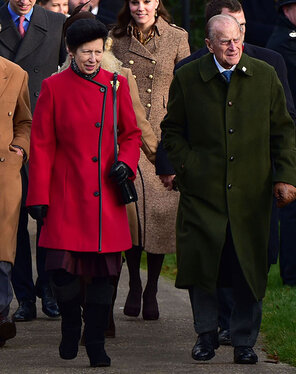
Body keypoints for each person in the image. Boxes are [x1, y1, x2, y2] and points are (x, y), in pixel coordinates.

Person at [161, 14, 296, 365]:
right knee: (203, 266)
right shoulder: (189, 77)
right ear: (208, 45)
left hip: (252, 196)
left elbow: (283, 132)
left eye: (236, 39)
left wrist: (286, 177)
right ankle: (205, 336)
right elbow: (172, 131)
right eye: (224, 41)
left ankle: (244, 341)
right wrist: (189, 167)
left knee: (248, 267)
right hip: (202, 195)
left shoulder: (264, 75)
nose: (233, 46)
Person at [26, 18, 141, 367]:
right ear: (70, 52)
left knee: (105, 273)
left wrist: (127, 163)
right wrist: (38, 196)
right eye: (85, 52)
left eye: (97, 51)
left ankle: (95, 341)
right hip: (66, 192)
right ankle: (69, 323)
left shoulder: (117, 85)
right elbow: (42, 144)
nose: (92, 58)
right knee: (62, 270)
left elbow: (132, 134)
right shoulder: (53, 86)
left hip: (106, 194)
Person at [60, 4, 159, 338]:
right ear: (72, 47)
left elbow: (138, 128)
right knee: (73, 254)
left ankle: (105, 311)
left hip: (113, 177)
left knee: (113, 247)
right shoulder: (59, 80)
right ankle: (84, 308)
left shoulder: (119, 79)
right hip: (73, 181)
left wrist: (159, 162)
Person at [110, 0, 190, 321]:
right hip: (127, 134)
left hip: (163, 134)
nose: (140, 7)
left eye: (147, 1)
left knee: (159, 213)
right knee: (133, 212)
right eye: (134, 2)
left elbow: (187, 85)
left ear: (157, 3)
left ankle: (153, 286)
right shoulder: (113, 38)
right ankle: (133, 281)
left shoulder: (176, 37)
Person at [0, 0, 66, 321]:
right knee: (12, 222)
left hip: (46, 133)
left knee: (47, 217)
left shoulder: (57, 23)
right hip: (9, 141)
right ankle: (24, 297)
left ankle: (48, 289)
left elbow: (68, 74)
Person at [267, 0, 296, 289]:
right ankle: (292, 273)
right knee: (292, 206)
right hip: (294, 136)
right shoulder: (283, 42)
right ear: (286, 9)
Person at [0, 57, 31, 348]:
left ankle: (0, 315)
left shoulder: (15, 73)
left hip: (4, 170)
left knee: (2, 248)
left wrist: (20, 148)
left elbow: (24, 121)